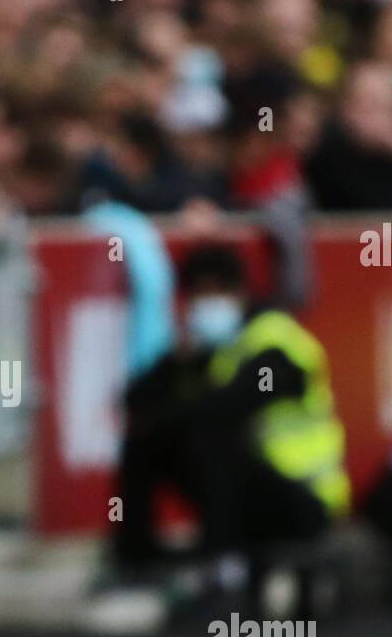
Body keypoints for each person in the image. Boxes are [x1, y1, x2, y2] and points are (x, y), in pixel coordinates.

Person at [111, 244, 349, 603]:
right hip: (249, 493)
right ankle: (136, 563)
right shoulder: (211, 349)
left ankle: (223, 565)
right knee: (146, 439)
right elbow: (133, 400)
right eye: (197, 296)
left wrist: (176, 406)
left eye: (215, 293)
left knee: (210, 434)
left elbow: (232, 404)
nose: (205, 306)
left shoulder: (277, 343)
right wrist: (177, 362)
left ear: (239, 292)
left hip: (304, 497)